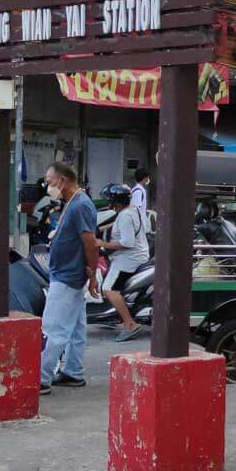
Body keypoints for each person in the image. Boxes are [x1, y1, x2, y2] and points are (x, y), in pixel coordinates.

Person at [40, 161, 99, 393]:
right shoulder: (73, 202)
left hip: (67, 276)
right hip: (69, 273)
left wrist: (92, 274)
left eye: (50, 181)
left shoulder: (80, 205)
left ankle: (41, 378)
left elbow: (90, 243)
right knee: (75, 327)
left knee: (53, 328)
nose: (48, 185)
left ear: (62, 180)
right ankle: (73, 372)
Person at [96, 183, 148, 342]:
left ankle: (130, 324)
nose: (108, 203)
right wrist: (103, 227)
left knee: (108, 289)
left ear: (116, 201)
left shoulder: (124, 216)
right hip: (138, 255)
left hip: (128, 259)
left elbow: (127, 242)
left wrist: (102, 244)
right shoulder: (132, 210)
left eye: (110, 200)